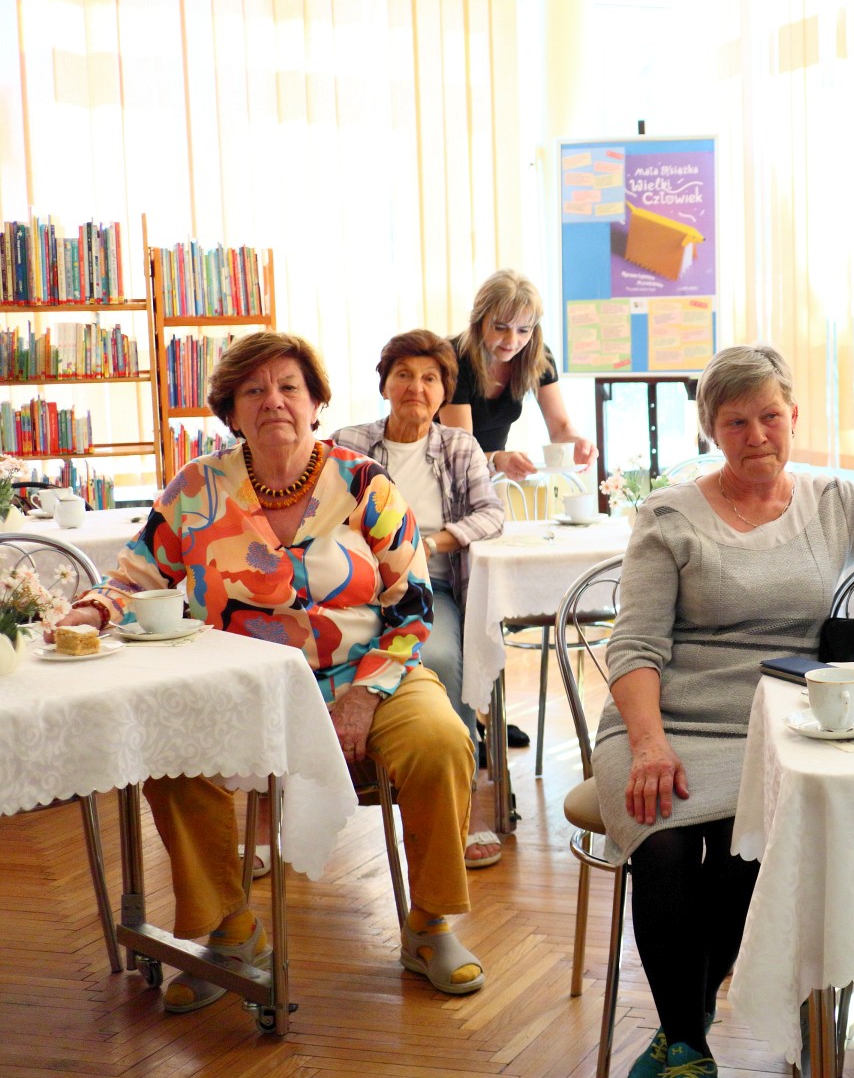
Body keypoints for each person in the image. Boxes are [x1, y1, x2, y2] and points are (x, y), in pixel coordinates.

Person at [54, 331, 486, 1010]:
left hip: (364, 673)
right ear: (231, 410)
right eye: (253, 390)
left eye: (289, 387)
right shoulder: (198, 487)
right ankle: (232, 933)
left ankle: (429, 924)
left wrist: (365, 697)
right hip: (237, 686)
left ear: (316, 403)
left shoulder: (365, 484)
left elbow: (414, 605)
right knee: (168, 757)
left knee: (441, 741)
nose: (273, 401)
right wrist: (90, 611)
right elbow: (135, 574)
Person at [599, 343, 854, 1078]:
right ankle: (688, 1042)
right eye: (736, 422)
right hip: (664, 720)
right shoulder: (667, 516)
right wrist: (649, 744)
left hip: (781, 724)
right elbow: (633, 647)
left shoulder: (833, 500)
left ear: (794, 415)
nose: (757, 435)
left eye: (770, 416)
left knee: (761, 848)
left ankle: (681, 1024)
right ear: (711, 430)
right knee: (666, 847)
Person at [334, 329, 508, 869]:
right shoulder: (349, 443)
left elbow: (491, 513)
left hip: (430, 586)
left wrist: (431, 543)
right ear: (385, 384)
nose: (416, 387)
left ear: (444, 391)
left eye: (430, 378)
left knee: (439, 658)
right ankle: (317, 793)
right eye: (404, 375)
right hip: (355, 588)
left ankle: (461, 809)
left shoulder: (459, 446)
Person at [440, 268, 596, 482]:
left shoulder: (538, 358)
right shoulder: (453, 359)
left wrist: (576, 442)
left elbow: (560, 428)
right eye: (500, 328)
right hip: (442, 477)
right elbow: (460, 454)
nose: (512, 341)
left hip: (488, 479)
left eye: (523, 330)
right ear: (479, 321)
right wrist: (498, 460)